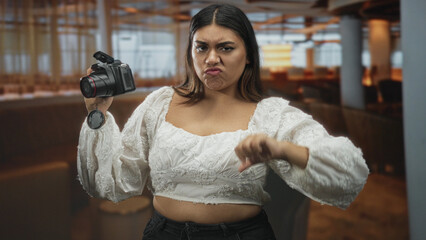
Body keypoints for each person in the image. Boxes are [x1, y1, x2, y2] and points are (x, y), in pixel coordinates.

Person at [77, 3, 369, 240]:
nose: (211, 58)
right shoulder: (159, 103)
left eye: (226, 48)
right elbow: (113, 183)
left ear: (249, 57)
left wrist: (282, 150)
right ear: (190, 53)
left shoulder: (270, 114)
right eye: (201, 47)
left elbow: (350, 173)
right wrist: (97, 113)